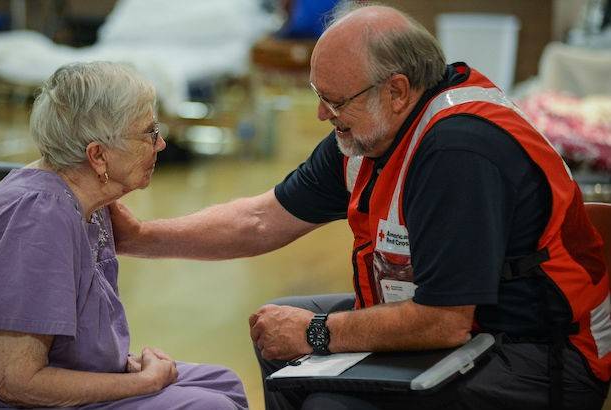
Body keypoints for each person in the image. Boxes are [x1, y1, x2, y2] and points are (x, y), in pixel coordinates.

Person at [108, 3, 611, 410]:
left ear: (396, 91)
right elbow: (260, 219)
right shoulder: (368, 130)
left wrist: (318, 333)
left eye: (334, 99)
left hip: (540, 355)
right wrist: (139, 238)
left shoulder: (458, 150)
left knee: (326, 395)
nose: (321, 113)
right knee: (276, 334)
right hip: (465, 325)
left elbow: (444, 321)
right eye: (318, 94)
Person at [0, 61, 248, 410]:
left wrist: (122, 366)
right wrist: (142, 382)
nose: (161, 145)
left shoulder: (87, 197)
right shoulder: (40, 217)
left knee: (222, 383)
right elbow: (14, 381)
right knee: (207, 406)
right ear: (98, 155)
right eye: (149, 133)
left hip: (42, 376)